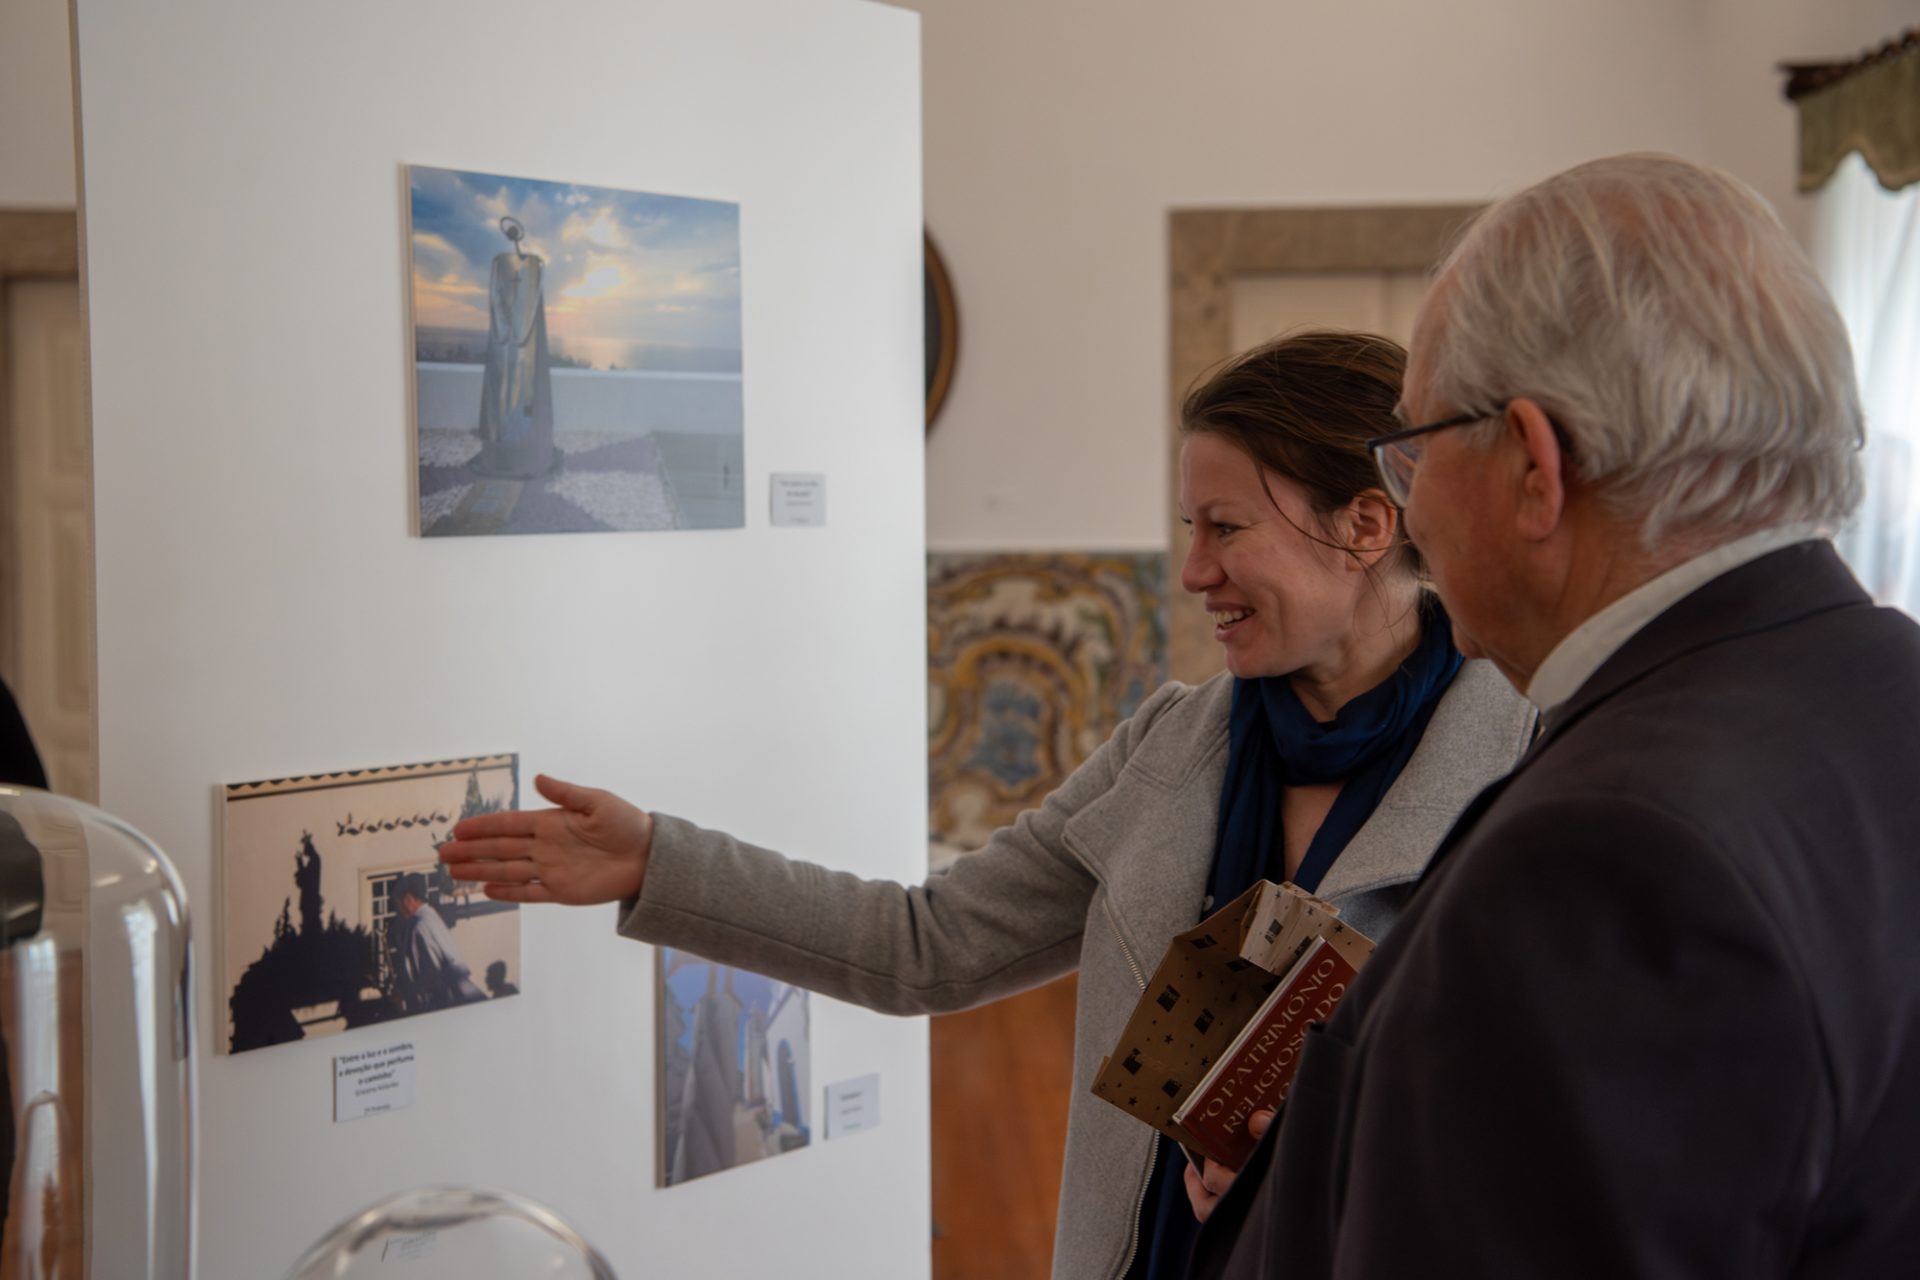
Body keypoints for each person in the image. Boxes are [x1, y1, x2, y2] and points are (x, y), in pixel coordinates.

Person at [439, 330, 1538, 1280]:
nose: (1194, 568)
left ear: (1365, 526)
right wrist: (653, 861)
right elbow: (927, 943)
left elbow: (1549, 1135)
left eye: (1226, 527)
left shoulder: (1529, 765)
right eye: (1188, 526)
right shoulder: (1170, 745)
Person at [1192, 154, 1920, 1280]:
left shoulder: (1607, 856)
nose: (1414, 502)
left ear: (1535, 463)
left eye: (1417, 451)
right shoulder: (1882, 683)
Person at [389, 873, 486, 1012]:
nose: (398, 913)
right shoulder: (431, 916)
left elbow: (429, 976)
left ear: (408, 900)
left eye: (397, 905)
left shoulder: (419, 927)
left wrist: (404, 992)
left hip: (447, 1003)